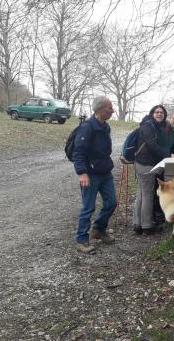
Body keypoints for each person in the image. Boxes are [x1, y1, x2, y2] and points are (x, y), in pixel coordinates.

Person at [72, 96, 117, 254]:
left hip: (105, 172)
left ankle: (98, 229)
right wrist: (82, 173)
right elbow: (78, 153)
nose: (112, 111)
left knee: (112, 202)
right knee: (88, 207)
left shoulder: (106, 127)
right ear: (100, 110)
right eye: (109, 108)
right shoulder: (87, 128)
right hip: (90, 174)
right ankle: (82, 240)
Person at [133, 105, 174, 235]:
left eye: (162, 112)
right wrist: (168, 155)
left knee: (141, 194)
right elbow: (152, 145)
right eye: (157, 112)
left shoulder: (152, 125)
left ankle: (138, 224)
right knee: (148, 195)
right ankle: (147, 226)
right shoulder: (148, 125)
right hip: (146, 163)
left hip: (141, 162)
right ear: (152, 113)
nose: (159, 114)